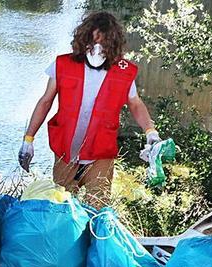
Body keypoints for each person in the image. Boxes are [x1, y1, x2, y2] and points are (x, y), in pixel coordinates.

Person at [18, 11, 161, 200]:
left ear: (113, 44)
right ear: (84, 39)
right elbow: (45, 101)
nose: (97, 48)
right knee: (62, 209)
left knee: (98, 210)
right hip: (65, 153)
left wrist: (150, 131)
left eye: (103, 43)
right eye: (93, 42)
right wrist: (28, 139)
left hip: (101, 154)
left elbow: (135, 103)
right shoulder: (63, 64)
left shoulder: (123, 71)